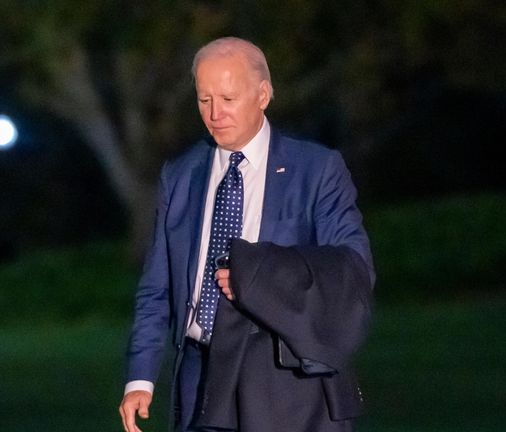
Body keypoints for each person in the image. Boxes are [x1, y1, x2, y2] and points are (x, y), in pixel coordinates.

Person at [119, 37, 375, 432]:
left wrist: (259, 277)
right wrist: (140, 379)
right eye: (204, 100)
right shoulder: (181, 174)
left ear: (263, 95)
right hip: (198, 374)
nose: (215, 113)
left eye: (228, 98)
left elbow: (353, 271)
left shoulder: (316, 169)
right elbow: (157, 287)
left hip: (283, 378)